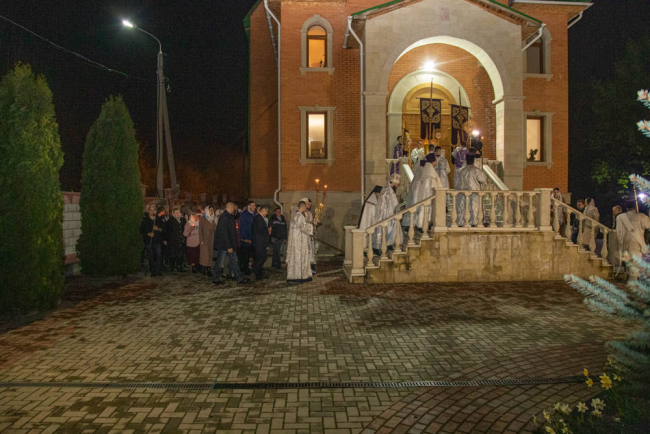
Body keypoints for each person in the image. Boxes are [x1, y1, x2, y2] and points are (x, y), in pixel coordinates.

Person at [213, 202, 248, 285]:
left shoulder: (228, 216)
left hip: (228, 244)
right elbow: (224, 233)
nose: (234, 209)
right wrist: (229, 246)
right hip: (224, 244)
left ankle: (239, 278)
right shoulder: (225, 217)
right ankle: (216, 278)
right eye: (233, 208)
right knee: (220, 262)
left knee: (233, 261)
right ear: (231, 207)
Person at [616, 200, 650, 279]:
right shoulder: (642, 216)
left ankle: (630, 278)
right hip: (636, 243)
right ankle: (633, 280)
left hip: (624, 242)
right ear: (635, 207)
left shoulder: (620, 217)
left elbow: (618, 232)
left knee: (628, 262)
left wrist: (621, 242)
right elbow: (648, 226)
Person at [455, 152, 487, 226]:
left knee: (463, 209)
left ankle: (461, 223)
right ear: (473, 161)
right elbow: (483, 180)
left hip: (463, 193)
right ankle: (474, 223)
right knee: (474, 209)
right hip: (474, 193)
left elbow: (457, 183)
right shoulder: (476, 170)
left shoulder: (461, 171)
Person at [287, 201, 314, 283]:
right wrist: (312, 225)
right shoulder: (299, 216)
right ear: (303, 207)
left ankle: (294, 275)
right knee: (300, 257)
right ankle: (300, 276)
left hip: (294, 241)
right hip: (300, 241)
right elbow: (303, 227)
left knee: (295, 258)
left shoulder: (294, 215)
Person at [372, 175, 400, 252]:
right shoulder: (389, 192)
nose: (397, 186)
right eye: (396, 184)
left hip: (386, 214)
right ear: (394, 183)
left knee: (388, 229)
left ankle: (388, 244)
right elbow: (394, 204)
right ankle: (379, 247)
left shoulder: (385, 190)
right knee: (385, 230)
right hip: (387, 214)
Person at [139, 205, 165, 277]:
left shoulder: (158, 219)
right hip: (149, 240)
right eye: (151, 210)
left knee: (158, 255)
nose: (152, 211)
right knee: (151, 256)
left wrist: (158, 229)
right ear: (148, 211)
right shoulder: (145, 220)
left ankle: (158, 271)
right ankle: (153, 271)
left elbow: (163, 228)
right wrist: (148, 233)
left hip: (157, 240)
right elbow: (141, 230)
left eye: (154, 210)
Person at [251, 206, 271, 280]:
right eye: (266, 211)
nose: (267, 213)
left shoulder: (260, 218)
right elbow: (260, 231)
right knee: (262, 257)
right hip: (259, 242)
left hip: (260, 242)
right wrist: (268, 231)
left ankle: (258, 272)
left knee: (261, 257)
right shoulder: (259, 218)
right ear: (263, 210)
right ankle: (256, 271)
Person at [199, 205, 217, 277]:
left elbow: (215, 228)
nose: (212, 211)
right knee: (205, 255)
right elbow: (200, 230)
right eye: (210, 210)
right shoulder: (203, 219)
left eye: (212, 210)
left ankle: (209, 268)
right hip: (205, 239)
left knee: (210, 254)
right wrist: (201, 239)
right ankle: (205, 268)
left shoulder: (212, 219)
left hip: (211, 239)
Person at [239, 201, 256, 275]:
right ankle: (245, 269)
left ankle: (254, 268)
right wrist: (245, 238)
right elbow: (243, 227)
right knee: (246, 256)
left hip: (253, 238)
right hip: (247, 239)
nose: (254, 207)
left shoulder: (254, 214)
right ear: (249, 206)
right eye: (253, 205)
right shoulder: (244, 215)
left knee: (254, 255)